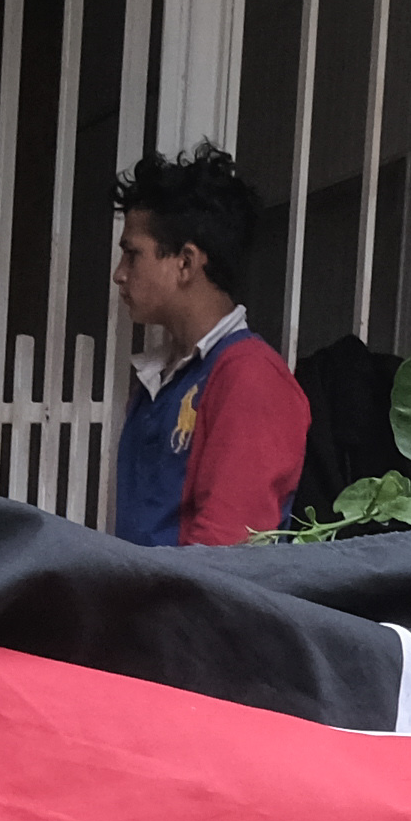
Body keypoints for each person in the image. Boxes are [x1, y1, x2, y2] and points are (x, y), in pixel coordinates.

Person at [106, 145, 309, 546]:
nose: (119, 274)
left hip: (187, 606)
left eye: (133, 255)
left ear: (185, 262)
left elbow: (225, 557)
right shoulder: (158, 381)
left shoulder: (250, 377)